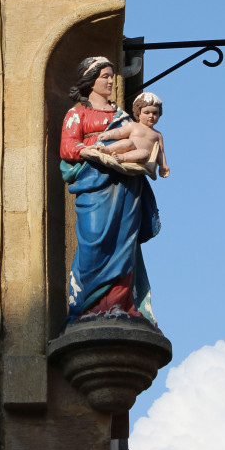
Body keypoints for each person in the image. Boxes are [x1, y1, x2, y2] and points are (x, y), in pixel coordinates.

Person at [59, 56, 161, 325]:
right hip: (93, 183)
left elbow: (141, 142)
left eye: (111, 75)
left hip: (126, 185)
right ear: (90, 80)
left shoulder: (123, 117)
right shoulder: (76, 114)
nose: (110, 80)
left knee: (123, 243)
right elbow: (67, 147)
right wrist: (89, 150)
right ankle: (88, 308)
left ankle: (120, 304)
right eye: (104, 75)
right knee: (93, 240)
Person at [96, 92, 170, 178]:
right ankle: (107, 149)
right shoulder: (133, 125)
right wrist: (108, 135)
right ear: (138, 113)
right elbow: (119, 132)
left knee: (145, 153)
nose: (151, 116)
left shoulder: (157, 135)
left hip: (140, 156)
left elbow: (160, 152)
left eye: (155, 113)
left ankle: (121, 158)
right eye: (146, 112)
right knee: (128, 142)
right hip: (129, 148)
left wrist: (163, 165)